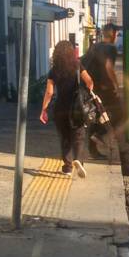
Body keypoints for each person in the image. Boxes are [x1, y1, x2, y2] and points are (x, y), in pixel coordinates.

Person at [40, 41, 94, 178]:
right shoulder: (77, 65)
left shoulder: (54, 70)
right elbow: (89, 81)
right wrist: (88, 92)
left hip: (60, 109)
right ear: (71, 52)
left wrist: (43, 110)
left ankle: (68, 167)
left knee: (65, 138)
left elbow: (49, 92)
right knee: (79, 136)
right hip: (76, 108)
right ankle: (78, 160)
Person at [82, 23, 123, 158]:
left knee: (95, 116)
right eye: (116, 33)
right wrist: (116, 85)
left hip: (91, 88)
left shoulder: (95, 46)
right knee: (120, 113)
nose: (117, 36)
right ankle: (98, 134)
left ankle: (94, 150)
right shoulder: (110, 48)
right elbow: (108, 67)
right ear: (113, 34)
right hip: (105, 88)